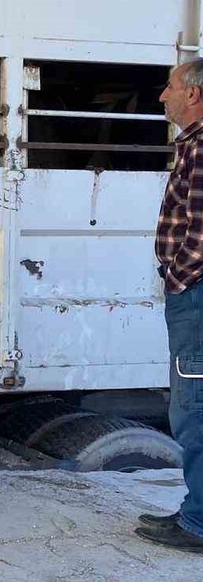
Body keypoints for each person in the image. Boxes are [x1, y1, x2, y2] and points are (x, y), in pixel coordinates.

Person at [135, 60, 203, 552]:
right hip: (192, 295)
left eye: (171, 87)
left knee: (194, 410)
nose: (163, 96)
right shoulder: (193, 145)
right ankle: (196, 511)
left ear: (194, 94)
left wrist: (178, 280)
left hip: (196, 297)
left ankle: (199, 524)